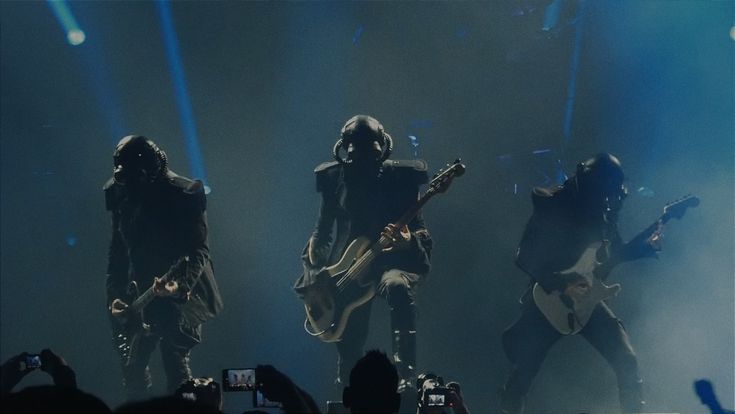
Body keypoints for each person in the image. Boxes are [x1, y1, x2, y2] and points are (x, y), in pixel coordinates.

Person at [500, 153, 662, 414]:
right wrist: (562, 284)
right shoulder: (554, 205)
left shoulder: (604, 214)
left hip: (586, 299)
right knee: (523, 373)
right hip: (549, 298)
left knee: (626, 359)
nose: (613, 198)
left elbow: (613, 255)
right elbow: (525, 256)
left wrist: (643, 248)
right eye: (608, 192)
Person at [295, 115, 433, 390]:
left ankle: (405, 374)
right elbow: (322, 232)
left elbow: (418, 228)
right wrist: (317, 270)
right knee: (349, 333)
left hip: (389, 259)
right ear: (345, 150)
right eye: (356, 154)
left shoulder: (401, 177)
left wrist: (409, 241)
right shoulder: (334, 177)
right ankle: (350, 387)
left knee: (396, 286)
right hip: (347, 267)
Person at [104, 135, 223, 399]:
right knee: (132, 369)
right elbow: (118, 252)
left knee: (175, 364)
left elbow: (199, 250)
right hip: (139, 293)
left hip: (179, 293)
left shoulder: (185, 193)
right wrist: (115, 297)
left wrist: (179, 286)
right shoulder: (120, 192)